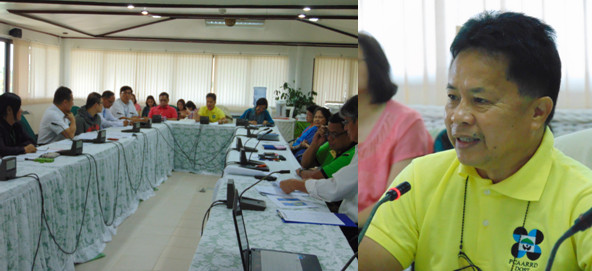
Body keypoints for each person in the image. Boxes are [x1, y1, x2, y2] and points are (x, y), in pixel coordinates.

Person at [359, 12, 592, 271]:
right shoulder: (419, 180)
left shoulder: (584, 203)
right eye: (452, 97)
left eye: (480, 100)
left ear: (538, 112)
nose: (457, 116)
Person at [357, 32, 434, 227]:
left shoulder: (407, 123)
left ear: (374, 65)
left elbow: (393, 203)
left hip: (374, 231)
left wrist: (346, 222)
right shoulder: (348, 120)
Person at [280, 95, 358, 251]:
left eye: (348, 123)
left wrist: (296, 184)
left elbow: (335, 188)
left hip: (354, 227)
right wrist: (316, 142)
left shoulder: (368, 151)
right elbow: (306, 164)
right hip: (346, 218)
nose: (347, 127)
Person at [297, 113, 356, 179]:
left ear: (349, 133)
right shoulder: (331, 145)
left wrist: (300, 172)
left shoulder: (353, 154)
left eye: (334, 134)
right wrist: (315, 143)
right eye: (328, 133)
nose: (329, 138)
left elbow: (316, 176)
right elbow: (305, 164)